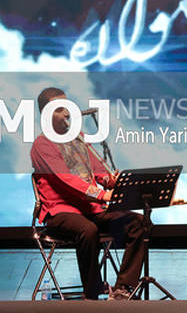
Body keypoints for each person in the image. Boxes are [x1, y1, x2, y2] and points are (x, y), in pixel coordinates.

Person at [29, 86, 150, 301]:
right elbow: (67, 180)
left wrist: (110, 181)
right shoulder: (42, 145)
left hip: (91, 210)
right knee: (88, 229)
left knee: (138, 222)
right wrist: (102, 195)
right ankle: (92, 292)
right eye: (60, 108)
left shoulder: (80, 138)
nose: (67, 113)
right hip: (61, 212)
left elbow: (98, 170)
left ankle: (123, 289)